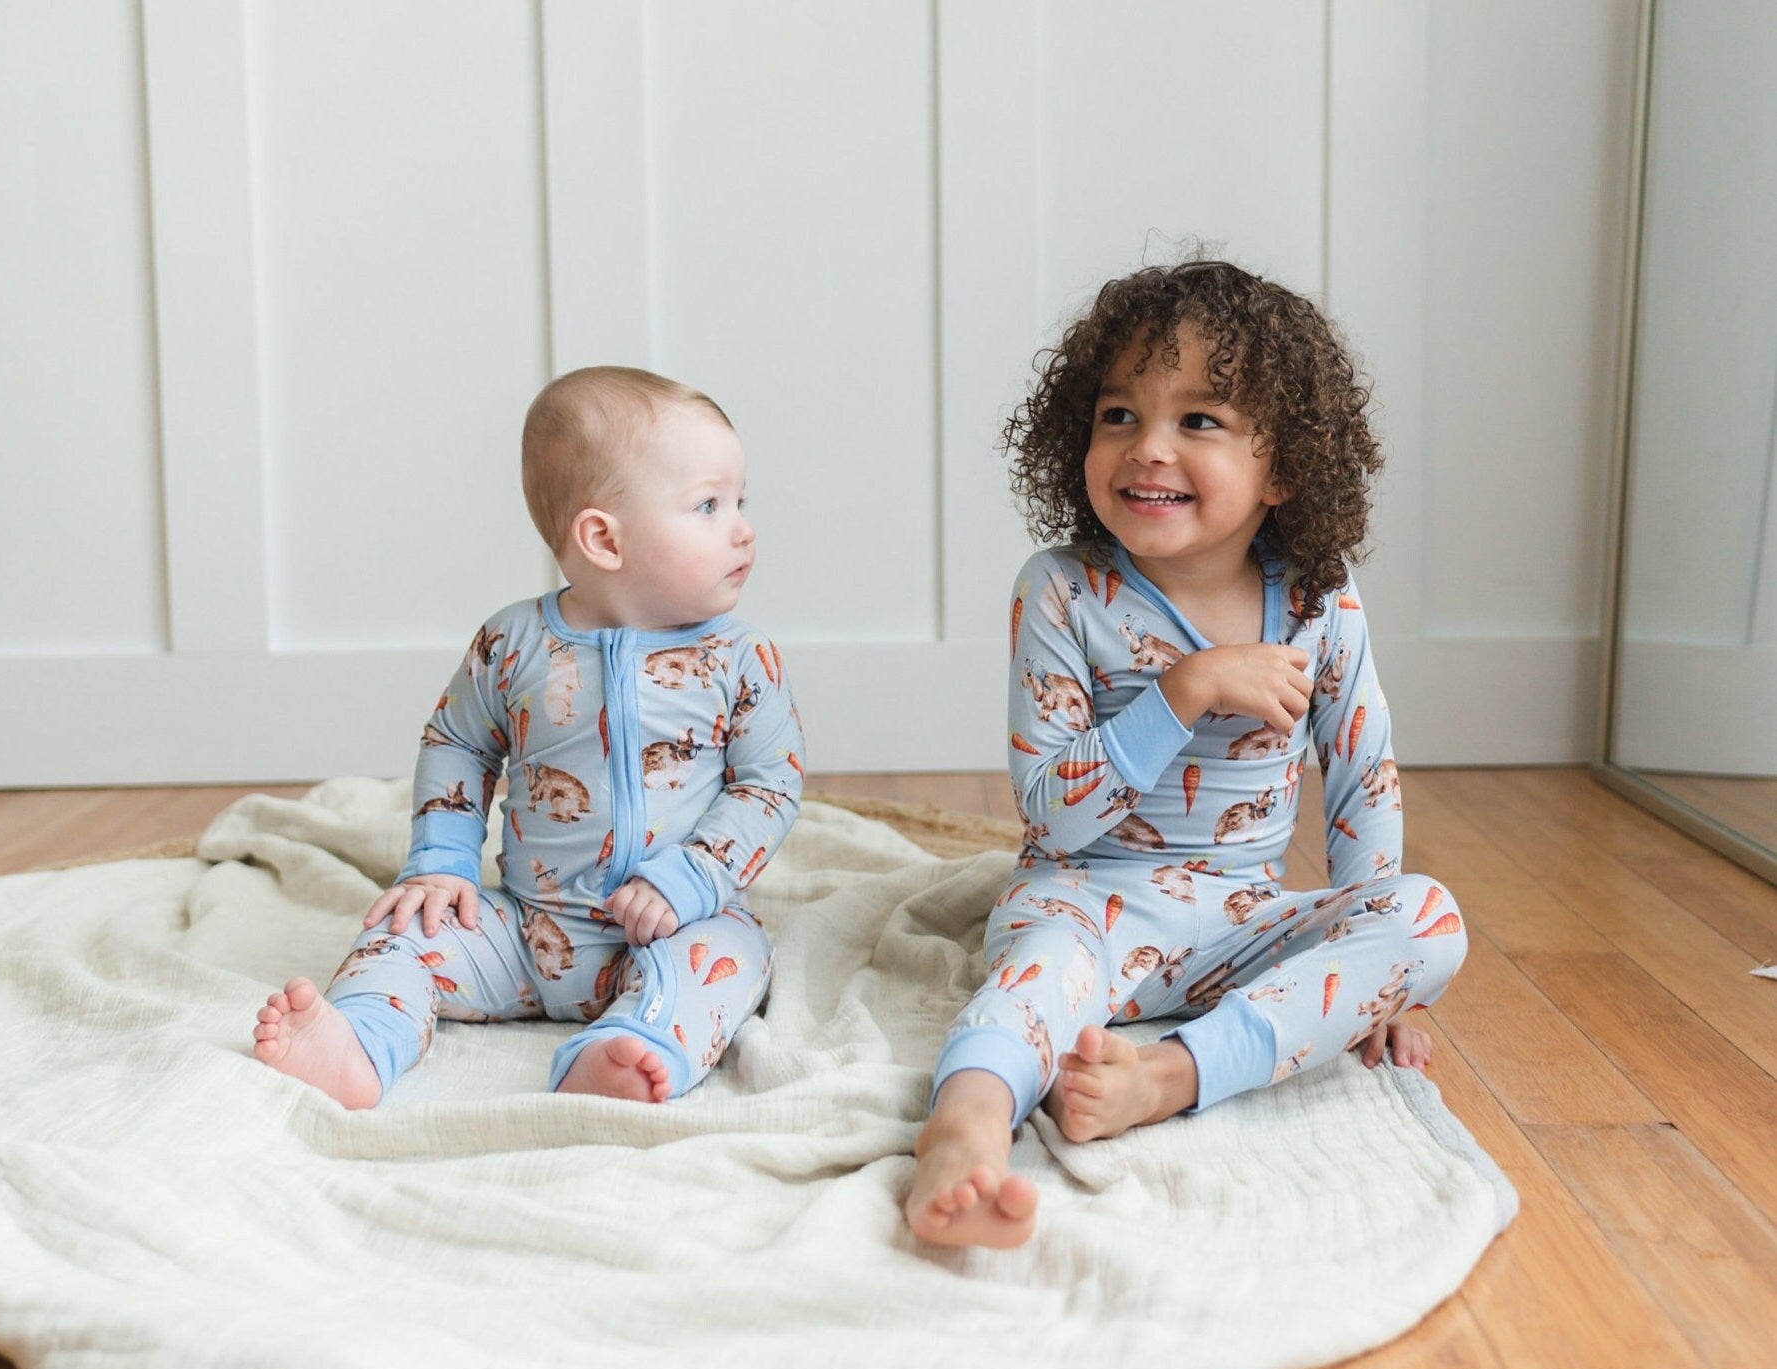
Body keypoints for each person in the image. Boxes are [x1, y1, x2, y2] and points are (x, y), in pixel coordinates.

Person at [905, 259, 1468, 1248]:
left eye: (1197, 420)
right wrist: (1185, 689)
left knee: (1428, 919)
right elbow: (1052, 813)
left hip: (1236, 924)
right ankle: (963, 1134)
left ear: (1281, 468)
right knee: (1029, 983)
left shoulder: (1318, 599)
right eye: (1117, 415)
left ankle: (1168, 1077)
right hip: (1082, 904)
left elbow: (1361, 776)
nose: (1146, 447)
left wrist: (1367, 973)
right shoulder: (1061, 590)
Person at [253, 367, 803, 1108]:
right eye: (709, 505)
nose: (742, 527)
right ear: (603, 538)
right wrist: (440, 863)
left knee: (733, 957)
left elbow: (770, 784)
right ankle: (358, 1042)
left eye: (740, 502)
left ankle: (630, 1047)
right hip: (522, 929)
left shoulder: (741, 659)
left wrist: (695, 878)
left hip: (675, 922)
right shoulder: (513, 643)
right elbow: (457, 742)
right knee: (401, 932)